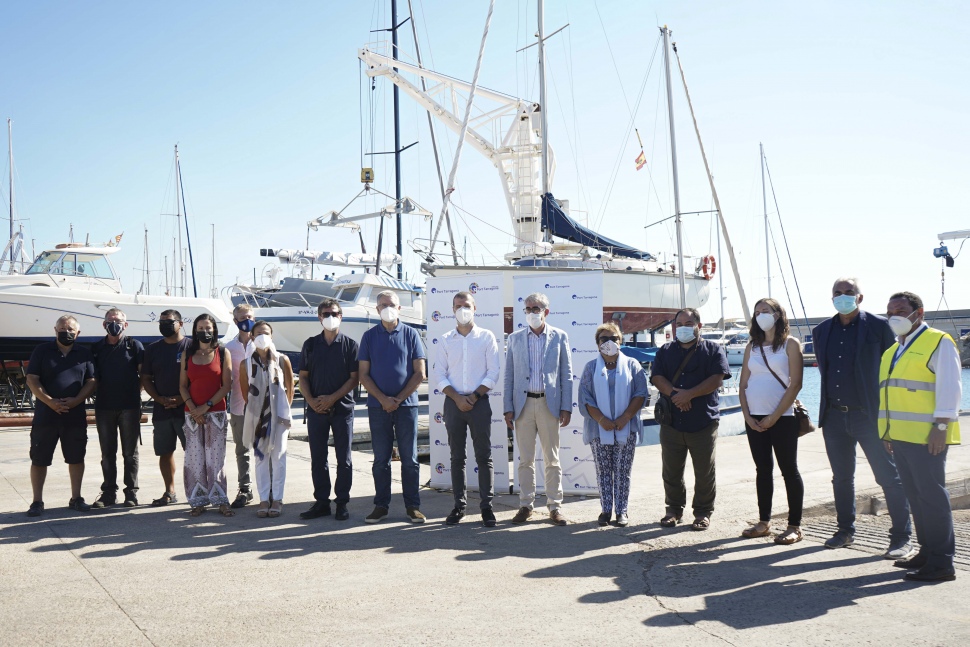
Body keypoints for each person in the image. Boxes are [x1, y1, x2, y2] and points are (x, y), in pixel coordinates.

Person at [813, 277, 913, 558]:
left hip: (870, 417)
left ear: (860, 297)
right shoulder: (822, 331)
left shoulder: (880, 327)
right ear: (831, 297)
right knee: (842, 478)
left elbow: (893, 369)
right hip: (834, 417)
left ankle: (902, 537)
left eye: (849, 292)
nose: (843, 296)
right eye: (838, 293)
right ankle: (845, 530)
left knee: (889, 478)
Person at [879, 291, 962, 582]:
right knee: (916, 497)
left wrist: (941, 427)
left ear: (919, 313)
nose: (895, 316)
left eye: (901, 310)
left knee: (932, 498)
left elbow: (950, 388)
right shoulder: (893, 351)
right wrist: (887, 433)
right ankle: (927, 552)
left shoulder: (938, 341)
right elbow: (891, 396)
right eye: (890, 311)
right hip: (900, 437)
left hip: (928, 437)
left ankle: (942, 563)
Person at [650, 308, 731, 531]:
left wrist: (690, 394)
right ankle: (673, 510)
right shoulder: (665, 351)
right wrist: (677, 396)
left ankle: (703, 513)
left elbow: (717, 379)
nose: (683, 327)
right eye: (679, 323)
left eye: (688, 323)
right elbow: (657, 377)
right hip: (672, 421)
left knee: (704, 471)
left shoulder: (713, 349)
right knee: (671, 470)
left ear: (698, 325)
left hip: (703, 421)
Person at [430, 291, 500, 527]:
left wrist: (474, 396)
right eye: (458, 305)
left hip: (479, 403)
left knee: (484, 457)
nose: (463, 309)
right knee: (456, 457)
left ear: (475, 307)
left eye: (466, 305)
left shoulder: (487, 337)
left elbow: (493, 372)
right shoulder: (445, 339)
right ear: (452, 309)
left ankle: (486, 508)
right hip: (453, 404)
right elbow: (438, 374)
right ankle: (458, 506)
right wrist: (457, 398)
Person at [738, 299, 805, 545]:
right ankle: (764, 522)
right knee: (763, 470)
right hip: (754, 418)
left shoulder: (790, 344)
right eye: (757, 312)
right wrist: (747, 416)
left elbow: (796, 384)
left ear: (778, 314)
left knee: (789, 470)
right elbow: (743, 384)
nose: (760, 315)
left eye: (765, 311)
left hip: (783, 418)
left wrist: (773, 417)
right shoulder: (751, 347)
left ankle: (794, 525)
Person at [504, 292, 573, 526]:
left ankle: (555, 506)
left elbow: (566, 375)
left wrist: (566, 406)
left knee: (552, 458)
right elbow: (509, 377)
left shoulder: (560, 337)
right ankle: (525, 505)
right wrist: (507, 408)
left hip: (549, 404)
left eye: (536, 308)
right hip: (522, 405)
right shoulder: (514, 339)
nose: (532, 312)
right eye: (528, 308)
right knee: (525, 460)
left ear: (546, 311)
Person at [358, 290, 427, 524]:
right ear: (377, 309)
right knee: (380, 460)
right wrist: (383, 400)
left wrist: (397, 399)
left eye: (391, 304)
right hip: (378, 408)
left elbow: (420, 374)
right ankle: (381, 506)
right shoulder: (368, 337)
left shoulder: (412, 335)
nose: (387, 307)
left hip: (407, 407)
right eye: (383, 304)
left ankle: (413, 506)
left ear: (399, 308)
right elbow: (363, 375)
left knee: (410, 459)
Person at [25, 315, 97, 516]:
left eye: (71, 329)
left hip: (74, 416)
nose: (67, 332)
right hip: (45, 416)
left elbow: (91, 381)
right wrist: (49, 401)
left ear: (78, 333)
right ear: (55, 330)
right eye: (62, 328)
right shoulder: (42, 351)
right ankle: (37, 501)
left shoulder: (84, 353)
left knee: (76, 458)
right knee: (39, 459)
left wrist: (75, 401)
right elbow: (32, 379)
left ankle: (76, 498)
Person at [577, 322, 647, 527]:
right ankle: (606, 510)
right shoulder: (591, 367)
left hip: (627, 427)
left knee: (623, 470)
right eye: (603, 339)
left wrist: (625, 417)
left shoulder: (633, 365)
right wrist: (602, 420)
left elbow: (640, 393)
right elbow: (585, 398)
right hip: (599, 428)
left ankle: (622, 511)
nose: (609, 342)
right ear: (597, 344)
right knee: (603, 471)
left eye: (613, 338)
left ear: (621, 340)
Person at [299, 298, 359, 521]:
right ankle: (322, 502)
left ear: (341, 316)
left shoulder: (351, 345)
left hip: (342, 409)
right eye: (325, 314)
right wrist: (312, 400)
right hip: (316, 411)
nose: (330, 317)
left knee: (344, 459)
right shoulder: (311, 344)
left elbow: (355, 378)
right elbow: (303, 377)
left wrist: (332, 398)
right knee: (318, 458)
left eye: (334, 313)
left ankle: (342, 502)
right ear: (319, 317)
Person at [178, 314, 233, 517]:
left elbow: (227, 385)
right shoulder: (187, 353)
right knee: (194, 459)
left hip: (216, 412)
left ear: (214, 329)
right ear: (195, 330)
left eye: (208, 327)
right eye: (200, 327)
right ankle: (197, 501)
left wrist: (206, 407)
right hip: (191, 414)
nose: (205, 331)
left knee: (216, 459)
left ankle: (220, 500)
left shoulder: (223, 352)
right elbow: (183, 386)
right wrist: (193, 408)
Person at [90, 308, 145, 508]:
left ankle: (131, 493)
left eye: (119, 320)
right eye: (111, 320)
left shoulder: (134, 346)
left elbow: (143, 376)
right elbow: (92, 378)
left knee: (130, 453)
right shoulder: (96, 348)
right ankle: (109, 493)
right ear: (104, 324)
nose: (115, 324)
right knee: (107, 453)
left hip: (129, 407)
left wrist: (134, 393)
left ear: (126, 324)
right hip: (104, 407)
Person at [240, 321, 294, 518]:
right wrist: (261, 412)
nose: (263, 336)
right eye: (259, 333)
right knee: (260, 458)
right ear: (252, 337)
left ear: (272, 336)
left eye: (266, 333)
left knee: (279, 457)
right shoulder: (245, 364)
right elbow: (246, 394)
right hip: (257, 417)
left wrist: (281, 410)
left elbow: (290, 388)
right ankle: (264, 499)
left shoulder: (282, 360)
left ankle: (277, 499)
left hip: (279, 417)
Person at [141, 310, 191, 507]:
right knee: (165, 451)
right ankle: (169, 491)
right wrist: (159, 399)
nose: (164, 325)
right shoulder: (153, 349)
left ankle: (196, 490)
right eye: (161, 322)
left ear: (180, 323)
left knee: (193, 451)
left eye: (169, 322)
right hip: (162, 410)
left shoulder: (191, 346)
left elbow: (198, 377)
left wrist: (182, 399)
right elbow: (146, 378)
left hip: (187, 408)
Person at [225, 304, 256, 508]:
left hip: (262, 405)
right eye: (243, 317)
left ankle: (269, 488)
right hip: (238, 405)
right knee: (241, 450)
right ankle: (245, 488)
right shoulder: (228, 348)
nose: (247, 320)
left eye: (250, 317)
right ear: (235, 321)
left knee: (265, 449)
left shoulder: (264, 343)